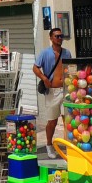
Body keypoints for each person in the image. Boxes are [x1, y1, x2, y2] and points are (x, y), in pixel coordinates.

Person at [33, 27, 70, 159]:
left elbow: (70, 70)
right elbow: (35, 68)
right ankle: (49, 144)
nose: (60, 38)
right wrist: (44, 78)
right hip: (52, 92)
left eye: (61, 36)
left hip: (65, 90)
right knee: (52, 121)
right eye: (57, 36)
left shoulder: (67, 53)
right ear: (51, 38)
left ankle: (68, 148)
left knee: (68, 120)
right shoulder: (45, 53)